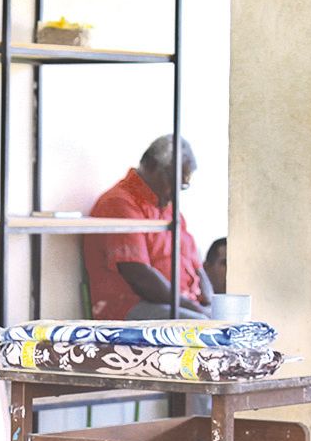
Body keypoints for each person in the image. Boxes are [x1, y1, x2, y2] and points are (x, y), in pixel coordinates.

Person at [82, 135, 214, 320]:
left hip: (181, 304)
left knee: (233, 318)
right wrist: (197, 310)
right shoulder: (119, 203)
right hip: (131, 306)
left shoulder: (168, 208)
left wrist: (210, 303)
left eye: (182, 187)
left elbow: (197, 267)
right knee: (199, 325)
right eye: (174, 183)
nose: (176, 193)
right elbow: (140, 277)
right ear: (152, 166)